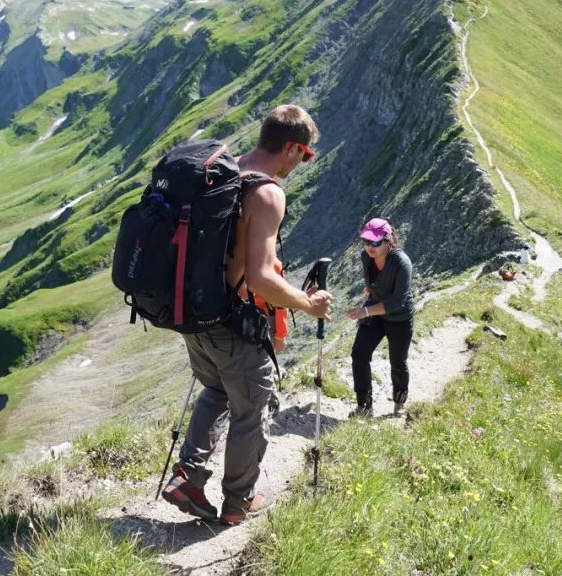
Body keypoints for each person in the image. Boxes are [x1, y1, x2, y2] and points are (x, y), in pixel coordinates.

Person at [161, 105, 333, 526]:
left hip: (193, 315)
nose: (303, 162)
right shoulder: (267, 193)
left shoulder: (223, 175)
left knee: (217, 391)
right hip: (233, 324)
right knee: (253, 409)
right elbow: (257, 278)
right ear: (292, 148)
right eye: (306, 155)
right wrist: (307, 304)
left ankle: (189, 477)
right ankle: (239, 502)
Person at [345, 218, 415, 417]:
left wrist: (365, 311)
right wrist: (371, 290)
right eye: (366, 241)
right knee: (359, 354)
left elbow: (397, 302)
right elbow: (372, 281)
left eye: (375, 242)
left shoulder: (402, 263)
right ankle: (364, 407)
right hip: (376, 315)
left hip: (400, 318)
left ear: (388, 240)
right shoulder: (365, 256)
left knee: (398, 362)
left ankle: (400, 403)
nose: (369, 247)